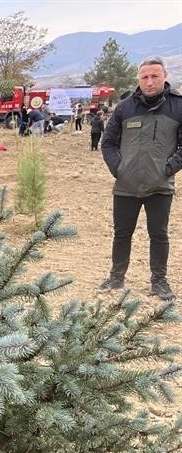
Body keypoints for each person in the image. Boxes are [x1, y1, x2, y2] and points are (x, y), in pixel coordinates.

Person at [100, 56, 182, 301]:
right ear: (139, 79)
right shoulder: (125, 107)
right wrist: (119, 169)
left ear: (164, 77)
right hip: (125, 186)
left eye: (154, 76)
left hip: (160, 186)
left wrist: (167, 169)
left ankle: (159, 281)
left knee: (159, 234)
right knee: (121, 233)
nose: (149, 81)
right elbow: (108, 143)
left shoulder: (178, 107)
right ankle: (116, 277)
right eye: (145, 77)